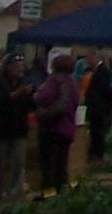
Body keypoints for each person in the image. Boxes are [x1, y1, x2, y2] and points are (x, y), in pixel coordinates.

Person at [33, 50, 81, 194]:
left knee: (48, 165)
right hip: (67, 128)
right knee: (61, 164)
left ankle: (48, 196)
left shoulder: (54, 80)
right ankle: (62, 194)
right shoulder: (72, 82)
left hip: (52, 127)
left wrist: (36, 94)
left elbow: (43, 98)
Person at [0, 56, 33, 201]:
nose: (20, 69)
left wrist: (31, 95)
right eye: (16, 66)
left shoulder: (24, 82)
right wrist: (18, 93)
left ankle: (14, 193)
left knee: (18, 162)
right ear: (7, 67)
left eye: (21, 66)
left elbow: (30, 104)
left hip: (19, 128)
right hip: (1, 128)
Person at [87, 49, 112, 159]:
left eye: (89, 58)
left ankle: (97, 155)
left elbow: (105, 89)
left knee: (98, 132)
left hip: (99, 107)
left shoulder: (102, 71)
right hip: (96, 107)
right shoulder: (99, 70)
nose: (87, 60)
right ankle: (94, 154)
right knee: (95, 132)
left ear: (95, 57)